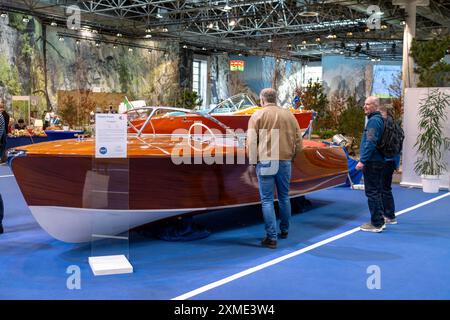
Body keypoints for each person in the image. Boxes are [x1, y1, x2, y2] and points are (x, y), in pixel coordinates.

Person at [247, 88, 303, 249]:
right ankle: (284, 230)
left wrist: (252, 161)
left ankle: (271, 238)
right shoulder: (289, 115)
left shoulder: (257, 115)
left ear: (262, 99)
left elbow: (251, 141)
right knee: (285, 197)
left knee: (267, 200)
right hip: (285, 160)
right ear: (275, 98)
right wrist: (292, 156)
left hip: (265, 161)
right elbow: (299, 142)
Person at [355, 96, 385, 233]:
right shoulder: (378, 120)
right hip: (377, 161)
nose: (364, 106)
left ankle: (376, 223)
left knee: (372, 192)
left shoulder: (373, 122)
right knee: (376, 192)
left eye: (368, 104)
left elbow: (371, 142)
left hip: (372, 162)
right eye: (364, 104)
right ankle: (379, 220)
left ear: (375, 106)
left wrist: (363, 160)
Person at [378, 104, 401, 225]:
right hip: (392, 161)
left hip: (383, 160)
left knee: (383, 188)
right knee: (386, 188)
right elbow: (399, 147)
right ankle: (389, 214)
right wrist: (397, 163)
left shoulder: (384, 125)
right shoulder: (397, 126)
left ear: (385, 113)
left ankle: (389, 215)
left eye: (380, 113)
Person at [0, 98, 9, 163]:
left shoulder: (5, 115)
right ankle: (2, 158)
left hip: (3, 131)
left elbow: (4, 125)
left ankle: (2, 158)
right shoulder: (2, 114)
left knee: (4, 144)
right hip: (3, 131)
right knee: (3, 145)